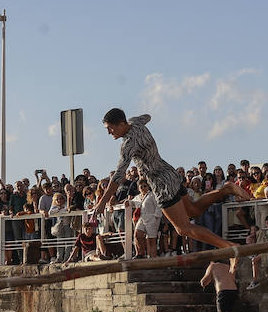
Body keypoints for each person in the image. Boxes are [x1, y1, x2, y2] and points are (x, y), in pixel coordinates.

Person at [93, 110, 240, 272]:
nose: (109, 132)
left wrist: (102, 203)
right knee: (194, 209)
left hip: (161, 184)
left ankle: (230, 248)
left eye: (110, 128)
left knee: (182, 228)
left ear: (121, 124)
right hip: (170, 173)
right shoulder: (136, 122)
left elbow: (118, 176)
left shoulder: (128, 145)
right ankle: (226, 189)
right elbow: (147, 116)